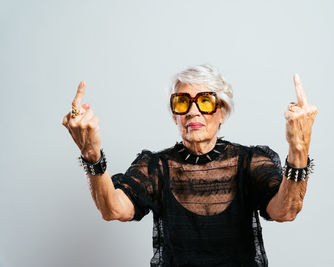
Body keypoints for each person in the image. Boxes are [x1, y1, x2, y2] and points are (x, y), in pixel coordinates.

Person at [62, 64, 318, 267]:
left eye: (205, 101)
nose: (193, 111)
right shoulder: (156, 166)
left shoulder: (249, 162)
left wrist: (299, 149)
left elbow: (285, 211)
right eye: (182, 102)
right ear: (175, 115)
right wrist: (91, 153)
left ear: (222, 112)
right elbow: (113, 209)